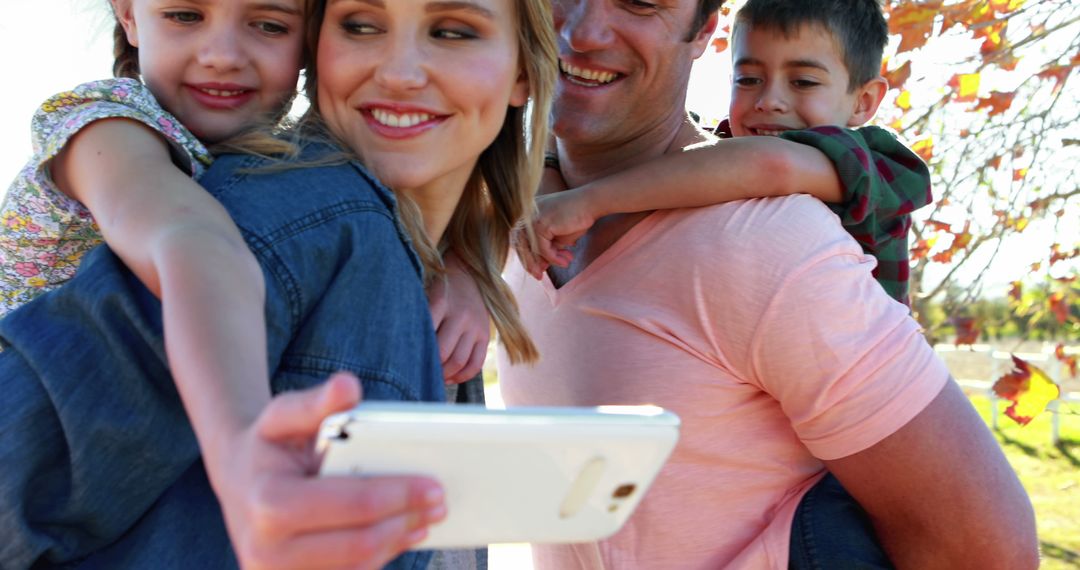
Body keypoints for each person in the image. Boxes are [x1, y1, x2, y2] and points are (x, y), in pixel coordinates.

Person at [0, 0, 557, 567]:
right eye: (362, 27)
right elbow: (194, 246)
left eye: (268, 24)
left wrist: (469, 261)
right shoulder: (119, 130)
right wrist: (240, 442)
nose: (222, 56)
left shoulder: (391, 253)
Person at [496, 0, 1038, 568]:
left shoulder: (769, 224)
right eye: (749, 77)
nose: (582, 32)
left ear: (705, 28)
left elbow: (988, 550)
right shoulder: (530, 211)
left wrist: (580, 200)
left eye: (639, 1)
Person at [521, 0, 929, 306]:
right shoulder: (723, 149)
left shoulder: (870, 159)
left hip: (858, 370)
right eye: (748, 78)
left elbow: (770, 164)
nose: (769, 100)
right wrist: (549, 164)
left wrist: (587, 201)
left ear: (864, 101)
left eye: (803, 82)